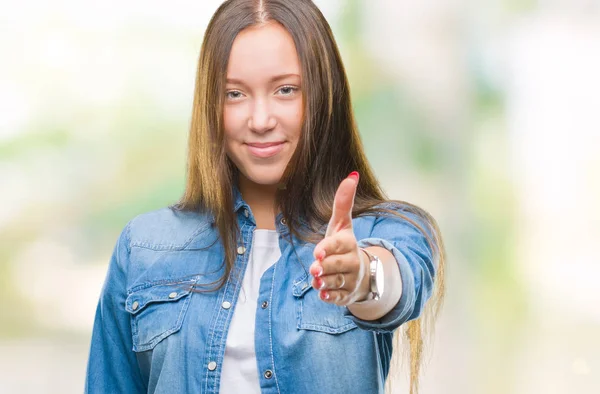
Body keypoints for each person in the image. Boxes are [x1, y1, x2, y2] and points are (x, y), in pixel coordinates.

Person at [85, 1, 445, 393]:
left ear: (324, 96)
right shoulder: (145, 247)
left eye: (286, 90)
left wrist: (359, 275)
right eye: (235, 94)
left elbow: (395, 284)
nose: (260, 120)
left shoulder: (391, 230)